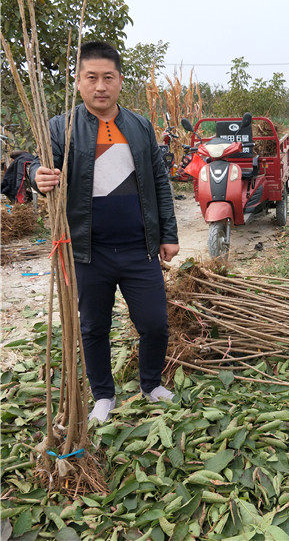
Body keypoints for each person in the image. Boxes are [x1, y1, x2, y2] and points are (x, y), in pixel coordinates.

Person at [30, 41, 179, 423]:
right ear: (78, 82)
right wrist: (37, 176)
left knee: (154, 323)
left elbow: (160, 181)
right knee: (93, 326)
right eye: (91, 77)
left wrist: (168, 233)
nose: (100, 86)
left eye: (107, 78)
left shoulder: (140, 125)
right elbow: (36, 165)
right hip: (87, 250)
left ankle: (150, 384)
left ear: (119, 81)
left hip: (138, 248)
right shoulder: (61, 127)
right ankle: (103, 395)